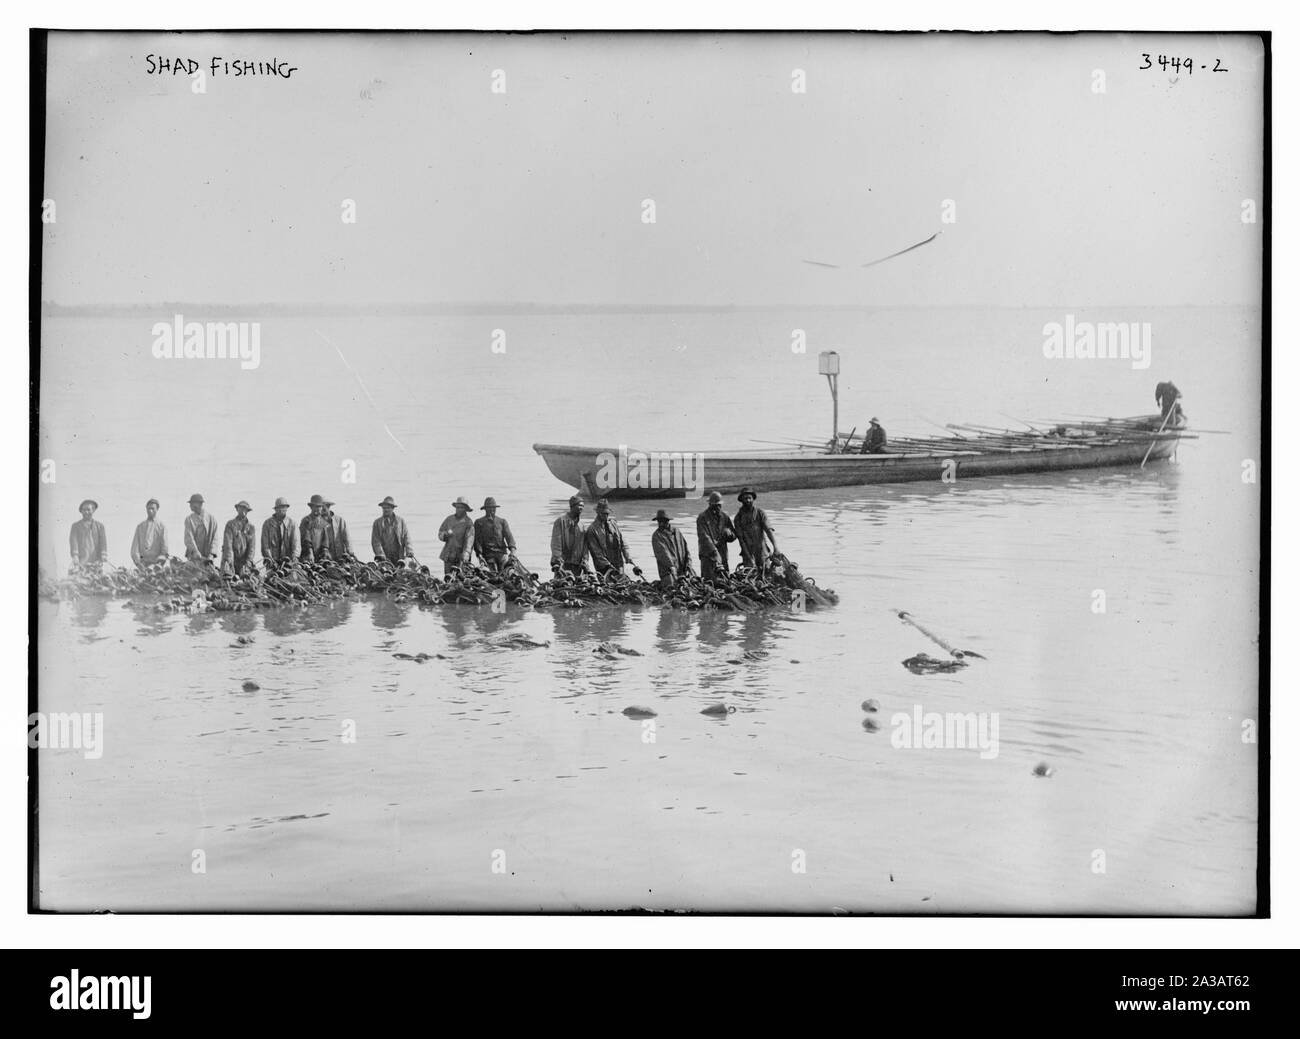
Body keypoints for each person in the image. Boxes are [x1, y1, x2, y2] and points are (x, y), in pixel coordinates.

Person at [585, 499, 641, 577]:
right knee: (609, 583)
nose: (606, 516)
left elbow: (623, 542)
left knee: (622, 581)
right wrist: (609, 566)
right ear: (598, 513)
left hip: (618, 563)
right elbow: (596, 553)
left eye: (607, 513)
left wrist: (627, 556)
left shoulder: (613, 524)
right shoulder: (592, 530)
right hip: (604, 568)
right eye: (603, 513)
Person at [733, 486, 778, 571]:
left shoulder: (760, 513)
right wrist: (749, 558)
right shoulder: (738, 518)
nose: (748, 500)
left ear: (753, 499)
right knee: (751, 575)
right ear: (741, 500)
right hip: (747, 552)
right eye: (745, 498)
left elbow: (768, 530)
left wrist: (775, 547)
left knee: (767, 573)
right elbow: (741, 540)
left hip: (762, 551)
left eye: (749, 498)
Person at [696, 490, 737, 582]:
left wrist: (729, 534)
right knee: (709, 581)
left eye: (719, 505)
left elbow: (734, 536)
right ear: (710, 504)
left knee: (725, 580)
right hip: (708, 555)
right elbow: (704, 537)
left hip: (722, 554)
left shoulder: (724, 517)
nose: (718, 507)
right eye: (715, 505)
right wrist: (714, 552)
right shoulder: (702, 517)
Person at [473, 497, 517, 572]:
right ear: (485, 509)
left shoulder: (502, 522)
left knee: (509, 570)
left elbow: (509, 537)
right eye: (489, 508)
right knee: (491, 572)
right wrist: (479, 555)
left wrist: (513, 551)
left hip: (502, 554)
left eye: (493, 508)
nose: (492, 510)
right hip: (488, 555)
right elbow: (477, 541)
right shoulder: (479, 522)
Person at [651, 509, 692, 588]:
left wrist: (688, 565)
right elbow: (662, 553)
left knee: (694, 582)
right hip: (667, 571)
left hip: (683, 569)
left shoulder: (677, 532)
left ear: (668, 521)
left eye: (663, 521)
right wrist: (671, 566)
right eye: (659, 521)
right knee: (672, 587)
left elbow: (686, 549)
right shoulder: (656, 535)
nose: (661, 524)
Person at [550, 495, 590, 575]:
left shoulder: (582, 526)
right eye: (579, 505)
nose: (581, 508)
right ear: (572, 506)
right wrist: (558, 559)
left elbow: (585, 546)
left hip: (577, 564)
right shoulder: (560, 521)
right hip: (563, 563)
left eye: (582, 506)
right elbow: (556, 543)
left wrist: (585, 560)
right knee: (562, 581)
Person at [438, 496, 476, 576]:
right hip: (448, 555)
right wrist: (445, 535)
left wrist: (466, 553)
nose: (459, 509)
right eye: (457, 507)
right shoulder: (449, 519)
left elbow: (469, 540)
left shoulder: (468, 522)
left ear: (465, 509)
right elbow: (440, 533)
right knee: (448, 577)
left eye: (461, 507)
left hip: (461, 556)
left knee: (460, 578)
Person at [371, 496, 413, 564]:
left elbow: (406, 537)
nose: (386, 510)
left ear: (393, 508)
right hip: (384, 558)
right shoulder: (377, 523)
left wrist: (409, 550)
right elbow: (375, 541)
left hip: (399, 556)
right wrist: (380, 555)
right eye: (384, 508)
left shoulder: (400, 521)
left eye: (388, 508)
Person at [221, 501, 258, 575]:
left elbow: (252, 548)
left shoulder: (251, 527)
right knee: (228, 577)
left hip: (244, 562)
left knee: (250, 578)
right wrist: (230, 562)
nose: (243, 511)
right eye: (241, 508)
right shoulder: (230, 524)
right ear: (237, 509)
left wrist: (248, 563)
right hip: (231, 559)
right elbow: (228, 545)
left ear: (247, 511)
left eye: (245, 509)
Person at [130, 498, 169, 568]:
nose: (150, 511)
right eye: (148, 508)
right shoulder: (140, 527)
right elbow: (134, 548)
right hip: (142, 564)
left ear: (157, 509)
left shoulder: (161, 527)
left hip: (156, 564)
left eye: (153, 509)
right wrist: (139, 563)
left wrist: (158, 564)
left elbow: (165, 548)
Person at [68, 499, 108, 567]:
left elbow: (103, 542)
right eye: (84, 510)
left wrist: (104, 554)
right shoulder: (75, 526)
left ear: (93, 510)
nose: (86, 512)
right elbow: (73, 541)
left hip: (96, 560)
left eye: (88, 510)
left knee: (97, 573)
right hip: (81, 560)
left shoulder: (100, 526)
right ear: (81, 511)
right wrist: (75, 556)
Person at [261, 496, 298, 565]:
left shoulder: (292, 524)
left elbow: (296, 544)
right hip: (272, 561)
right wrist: (270, 559)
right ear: (275, 509)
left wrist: (294, 559)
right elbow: (265, 545)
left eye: (283, 507)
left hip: (288, 561)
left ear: (287, 508)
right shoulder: (267, 524)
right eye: (279, 508)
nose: (281, 510)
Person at [183, 493, 219, 565]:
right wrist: (195, 551)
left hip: (208, 558)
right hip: (194, 557)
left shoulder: (212, 519)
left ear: (200, 504)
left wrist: (211, 554)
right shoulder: (189, 519)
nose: (190, 506)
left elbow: (215, 539)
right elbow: (188, 538)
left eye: (192, 503)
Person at [299, 494, 334, 562]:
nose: (318, 509)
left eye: (320, 507)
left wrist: (325, 550)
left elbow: (325, 540)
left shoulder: (323, 522)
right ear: (311, 507)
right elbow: (306, 539)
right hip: (306, 554)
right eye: (316, 506)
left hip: (319, 555)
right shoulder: (306, 520)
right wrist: (310, 552)